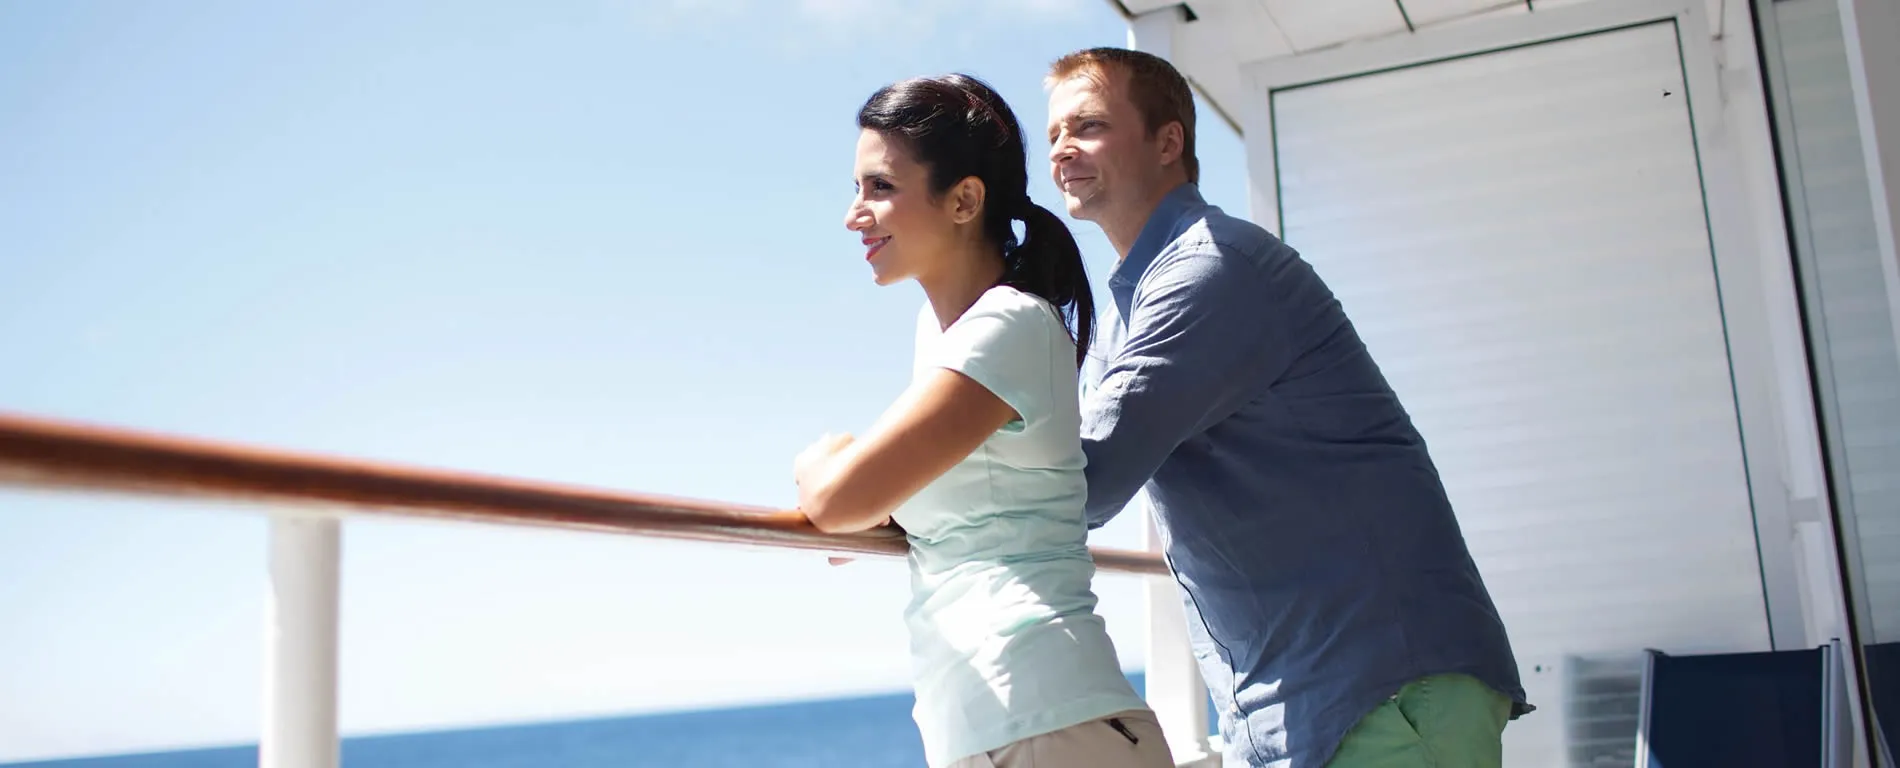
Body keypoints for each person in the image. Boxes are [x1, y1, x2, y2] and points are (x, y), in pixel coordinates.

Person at [1042, 47, 1532, 768]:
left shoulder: (1209, 269)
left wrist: (904, 486)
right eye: (1053, 134)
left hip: (1382, 695)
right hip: (1306, 705)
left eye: (1088, 125)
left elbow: (1088, 477)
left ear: (1168, 140)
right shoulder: (1132, 303)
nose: (1062, 150)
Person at [792, 73, 1174, 768]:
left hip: (1050, 724)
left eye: (880, 187)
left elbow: (836, 498)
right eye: (856, 188)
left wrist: (822, 459)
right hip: (1005, 727)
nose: (855, 213)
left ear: (965, 198)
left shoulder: (1009, 326)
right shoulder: (942, 335)